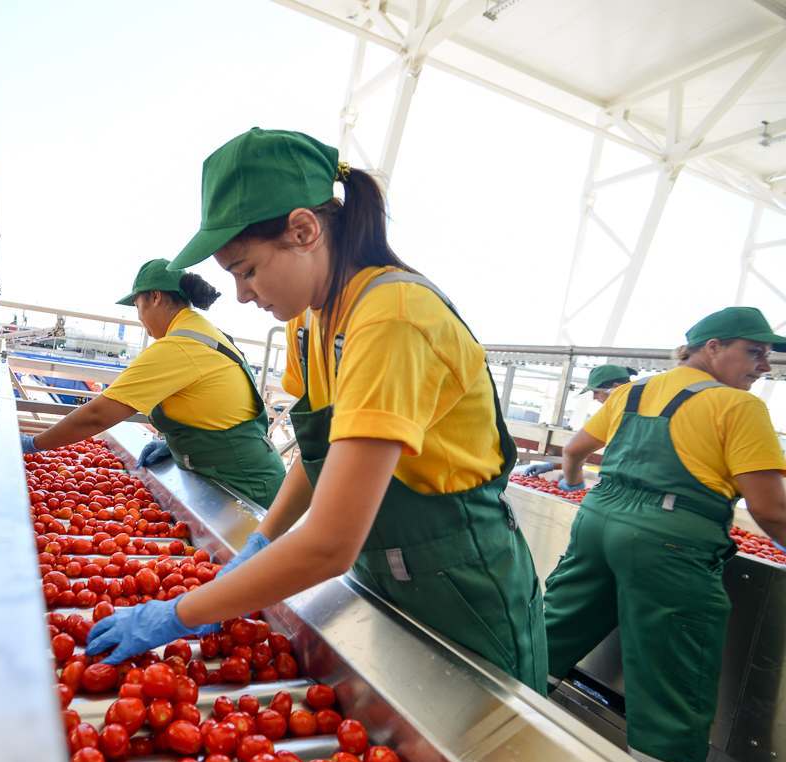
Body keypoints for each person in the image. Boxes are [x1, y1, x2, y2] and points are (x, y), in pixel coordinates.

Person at [87, 128, 548, 693]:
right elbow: (319, 452)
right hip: (382, 571)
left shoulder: (392, 317)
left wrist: (179, 614)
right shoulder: (310, 321)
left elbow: (330, 542)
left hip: (462, 584)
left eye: (246, 270)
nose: (241, 295)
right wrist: (264, 538)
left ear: (304, 230)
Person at [544, 307, 786, 762]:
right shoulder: (739, 408)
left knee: (547, 635)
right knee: (672, 686)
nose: (764, 366)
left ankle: (489, 722)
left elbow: (573, 452)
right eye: (754, 352)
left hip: (597, 523)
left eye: (768, 357)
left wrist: (577, 492)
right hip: (669, 544)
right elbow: (772, 510)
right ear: (712, 347)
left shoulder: (632, 391)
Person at [21, 258, 285, 508]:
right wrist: (175, 446)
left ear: (155, 297)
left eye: (137, 306)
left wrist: (36, 445)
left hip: (248, 487)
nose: (139, 317)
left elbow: (97, 415)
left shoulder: (180, 346)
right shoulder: (202, 333)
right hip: (241, 472)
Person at [519, 364, 637, 486]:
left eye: (596, 392)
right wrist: (553, 465)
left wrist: (573, 482)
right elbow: (586, 451)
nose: (594, 398)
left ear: (616, 388)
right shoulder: (627, 410)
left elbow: (574, 451)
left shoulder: (623, 413)